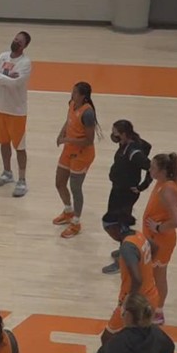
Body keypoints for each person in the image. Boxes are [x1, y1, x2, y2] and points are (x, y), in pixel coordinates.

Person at [101, 121, 152, 274]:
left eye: (115, 132)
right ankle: (125, 247)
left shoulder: (133, 152)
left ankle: (125, 255)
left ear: (123, 134)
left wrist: (142, 186)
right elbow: (147, 145)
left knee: (113, 223)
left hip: (125, 193)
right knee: (120, 222)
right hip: (118, 190)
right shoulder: (128, 144)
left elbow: (150, 167)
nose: (113, 134)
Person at [0, 32, 32, 197]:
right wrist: (5, 76)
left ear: (24, 46)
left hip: (16, 112)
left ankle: (22, 180)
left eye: (19, 41)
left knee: (20, 147)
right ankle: (7, 172)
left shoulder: (25, 63)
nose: (15, 42)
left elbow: (16, 83)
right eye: (15, 39)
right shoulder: (2, 56)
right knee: (3, 142)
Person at [53, 81, 98, 238]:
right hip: (69, 149)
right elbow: (68, 120)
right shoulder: (72, 103)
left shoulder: (88, 113)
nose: (72, 94)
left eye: (75, 92)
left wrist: (68, 140)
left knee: (75, 188)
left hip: (82, 153)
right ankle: (68, 211)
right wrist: (61, 133)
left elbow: (89, 140)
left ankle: (76, 222)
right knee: (59, 183)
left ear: (83, 96)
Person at [142, 153, 177, 324]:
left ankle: (157, 311)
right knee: (152, 275)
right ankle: (153, 307)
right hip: (153, 238)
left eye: (153, 168)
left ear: (163, 171)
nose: (150, 170)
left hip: (160, 241)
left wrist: (158, 228)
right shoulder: (161, 183)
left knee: (157, 276)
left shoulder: (167, 190)